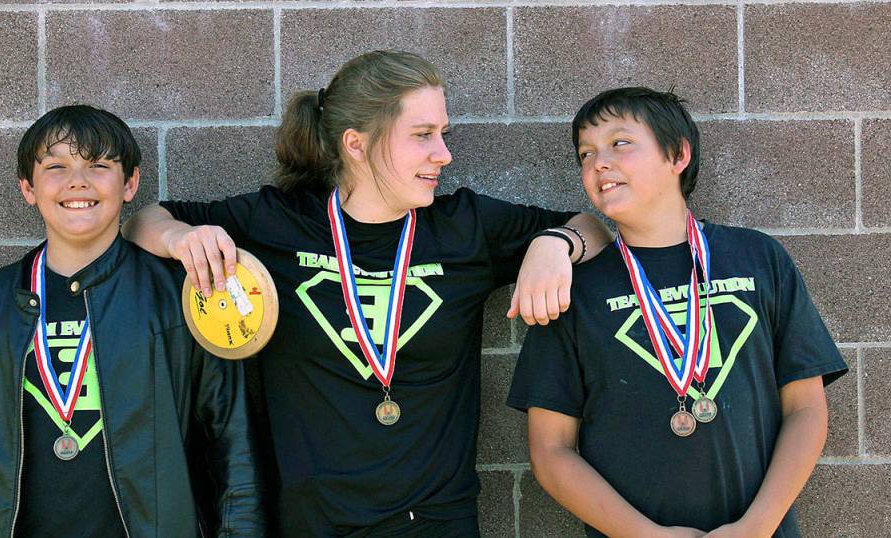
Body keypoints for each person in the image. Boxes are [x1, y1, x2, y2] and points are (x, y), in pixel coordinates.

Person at [123, 50, 611, 536]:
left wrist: (555, 242)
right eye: (423, 135)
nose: (443, 154)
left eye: (443, 134)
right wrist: (180, 239)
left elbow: (594, 228)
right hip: (312, 521)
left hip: (437, 521)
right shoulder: (279, 222)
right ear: (356, 144)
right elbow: (145, 220)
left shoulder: (465, 227)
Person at [0, 105, 264, 537]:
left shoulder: (178, 301)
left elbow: (234, 446)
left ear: (130, 184)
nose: (78, 181)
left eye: (99, 165)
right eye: (56, 166)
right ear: (27, 188)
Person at [508, 87, 848, 537]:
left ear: (678, 155)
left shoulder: (758, 258)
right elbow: (551, 451)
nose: (598, 162)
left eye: (620, 142)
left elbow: (806, 409)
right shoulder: (574, 290)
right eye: (585, 153)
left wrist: (757, 527)